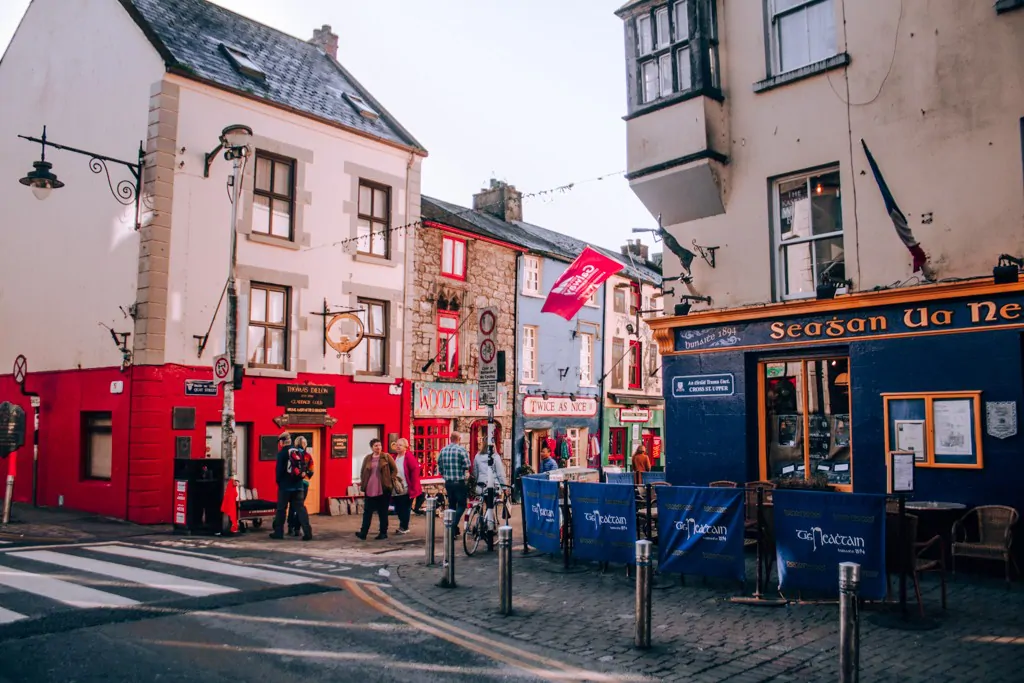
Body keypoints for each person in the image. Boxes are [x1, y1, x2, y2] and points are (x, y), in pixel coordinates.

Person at [271, 433, 312, 541]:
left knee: (281, 510)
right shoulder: (298, 452)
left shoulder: (282, 454)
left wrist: (279, 482)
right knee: (301, 509)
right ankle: (307, 532)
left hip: (285, 487)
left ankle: (279, 532)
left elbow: (279, 471)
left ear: (282, 442)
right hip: (298, 486)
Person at [356, 438, 399, 540]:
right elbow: (363, 472)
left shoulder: (386, 457)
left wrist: (390, 480)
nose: (378, 447)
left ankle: (383, 533)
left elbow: (394, 470)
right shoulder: (367, 458)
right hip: (370, 488)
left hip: (383, 488)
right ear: (372, 447)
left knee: (383, 512)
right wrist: (363, 483)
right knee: (367, 512)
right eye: (376, 446)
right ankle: (363, 532)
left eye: (379, 445)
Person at [437, 432, 471, 538]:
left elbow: (439, 465)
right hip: (459, 482)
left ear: (450, 438)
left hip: (448, 483)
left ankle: (454, 532)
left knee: (452, 505)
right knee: (462, 505)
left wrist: (445, 474)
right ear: (459, 439)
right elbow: (467, 465)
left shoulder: (443, 450)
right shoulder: (461, 450)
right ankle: (452, 525)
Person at [472, 442, 509, 526]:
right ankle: (489, 526)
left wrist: (477, 482)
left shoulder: (477, 456)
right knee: (490, 505)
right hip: (492, 485)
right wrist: (504, 487)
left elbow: (475, 472)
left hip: (481, 485)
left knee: (483, 503)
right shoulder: (495, 457)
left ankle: (481, 522)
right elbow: (500, 474)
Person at [392, 438, 422, 535]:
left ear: (406, 447)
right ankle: (403, 525)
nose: (398, 447)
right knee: (398, 507)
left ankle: (404, 527)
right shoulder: (394, 457)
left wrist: (412, 485)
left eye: (400, 445)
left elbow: (415, 470)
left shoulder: (408, 456)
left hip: (406, 486)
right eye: (397, 445)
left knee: (405, 507)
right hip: (396, 486)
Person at [287, 436, 314, 536]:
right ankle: (297, 529)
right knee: (300, 506)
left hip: (293, 483)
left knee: (292, 506)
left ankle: (290, 527)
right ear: (305, 444)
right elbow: (311, 471)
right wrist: (304, 476)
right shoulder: (308, 456)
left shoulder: (292, 454)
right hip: (304, 484)